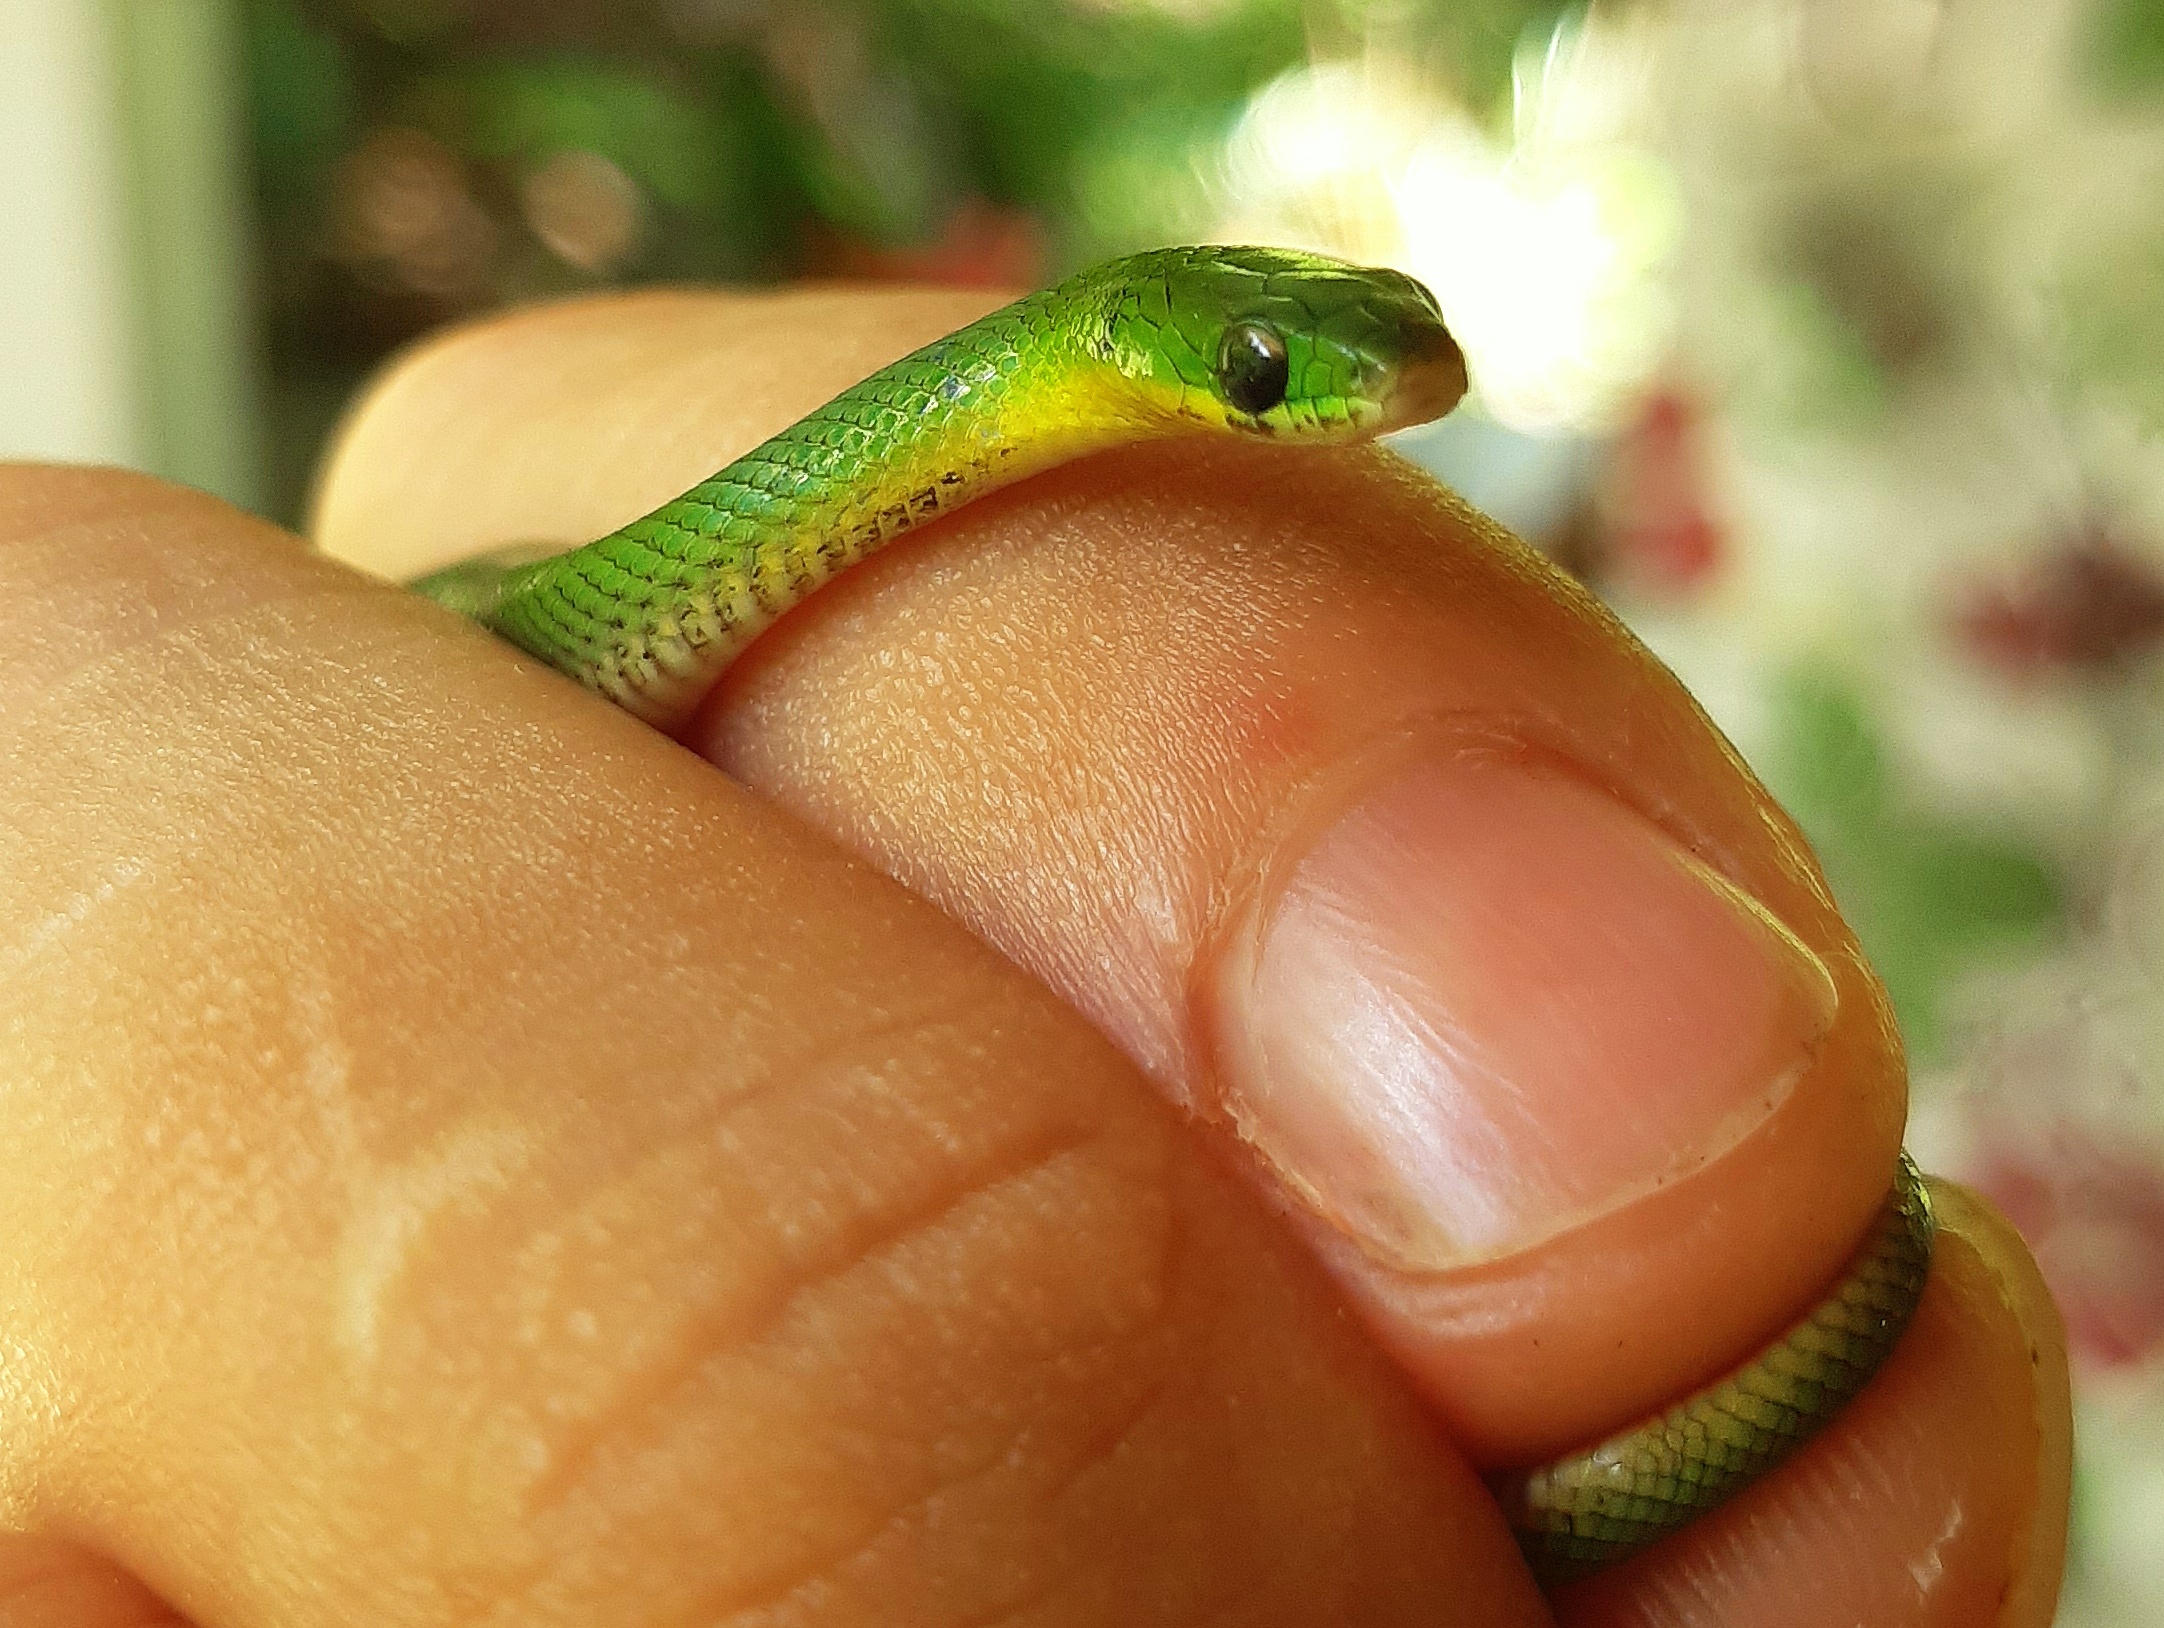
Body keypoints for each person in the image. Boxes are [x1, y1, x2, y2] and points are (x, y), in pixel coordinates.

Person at [0, 285, 2068, 1626]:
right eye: (1266, 378)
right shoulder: (950, 417)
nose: (1344, 407)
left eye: (1372, 348)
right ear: (1112, 358)